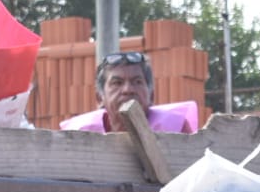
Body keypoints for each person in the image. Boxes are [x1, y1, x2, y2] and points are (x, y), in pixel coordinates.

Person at [58, 50, 198, 133]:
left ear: (151, 96)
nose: (128, 90)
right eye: (117, 83)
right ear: (99, 98)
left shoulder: (177, 129)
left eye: (137, 82)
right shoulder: (78, 134)